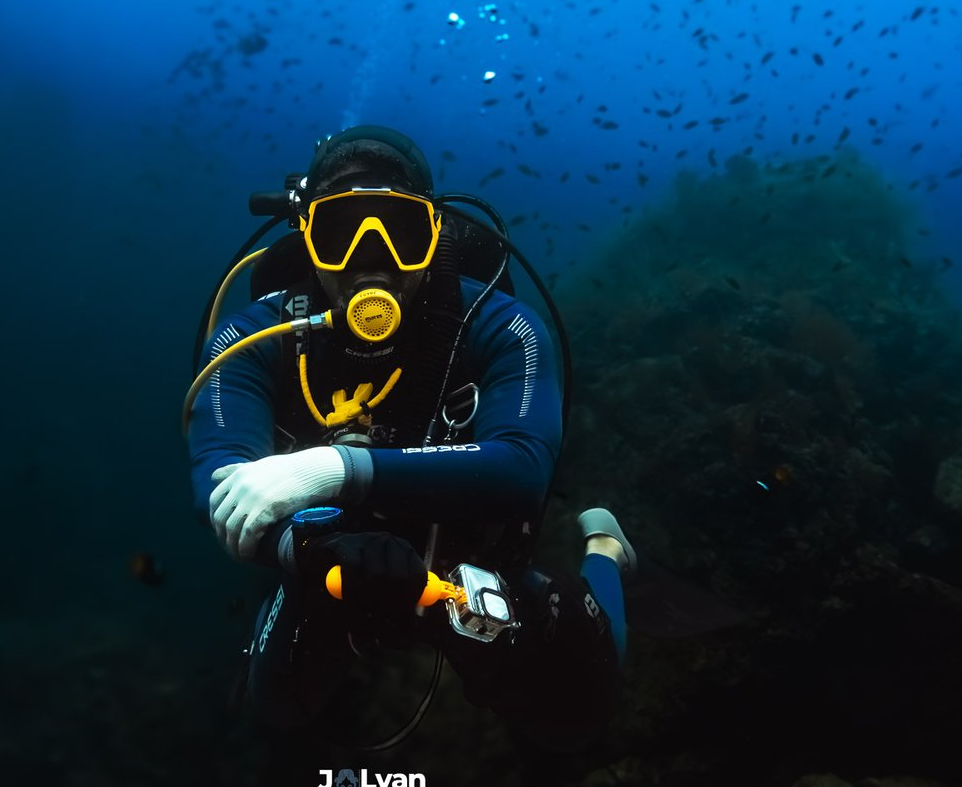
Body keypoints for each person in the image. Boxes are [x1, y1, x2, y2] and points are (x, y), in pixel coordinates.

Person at [186, 124, 637, 752]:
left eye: (399, 233)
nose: (371, 263)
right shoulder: (251, 339)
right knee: (279, 705)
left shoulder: (501, 325)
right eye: (341, 234)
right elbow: (221, 487)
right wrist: (308, 551)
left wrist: (333, 469)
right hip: (331, 561)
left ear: (435, 235)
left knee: (581, 704)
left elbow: (523, 467)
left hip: (465, 562)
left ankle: (605, 550)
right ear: (309, 241)